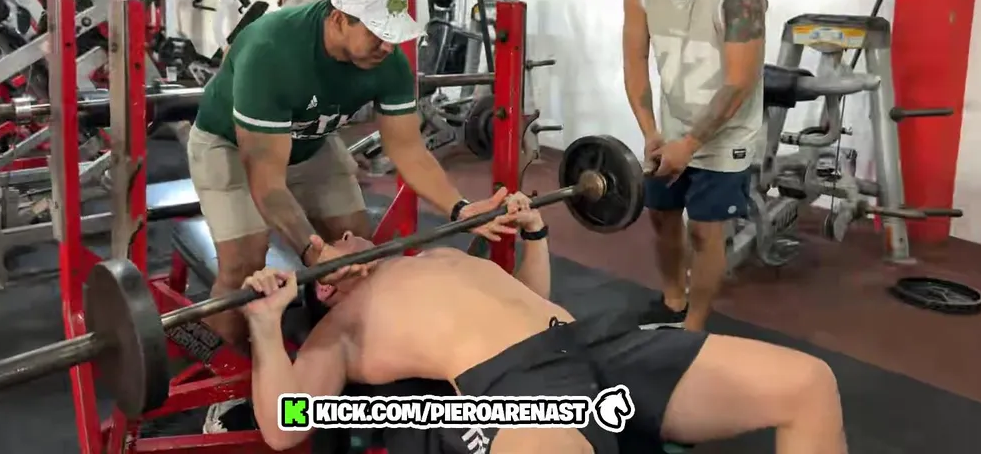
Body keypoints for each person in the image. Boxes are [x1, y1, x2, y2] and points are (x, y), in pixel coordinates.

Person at [240, 190, 847, 454]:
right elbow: (285, 427)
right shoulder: (343, 326)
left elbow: (528, 299)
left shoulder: (437, 257)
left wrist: (535, 235)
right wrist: (267, 326)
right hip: (522, 394)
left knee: (807, 384)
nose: (352, 234)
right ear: (325, 285)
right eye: (340, 241)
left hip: (595, 348)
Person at [187, 0, 516, 426]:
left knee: (356, 251)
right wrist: (312, 249)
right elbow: (267, 182)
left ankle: (328, 359)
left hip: (312, 141)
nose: (388, 46)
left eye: (393, 34)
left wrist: (461, 209)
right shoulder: (271, 49)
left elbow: (409, 150)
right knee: (244, 264)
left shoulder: (388, 61)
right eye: (377, 33)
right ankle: (228, 382)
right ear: (339, 17)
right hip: (230, 144)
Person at [621, 0, 767, 332]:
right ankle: (673, 300)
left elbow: (740, 82)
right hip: (671, 127)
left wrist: (691, 143)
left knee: (705, 230)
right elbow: (634, 64)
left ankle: (695, 325)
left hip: (725, 133)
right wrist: (650, 132)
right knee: (661, 217)